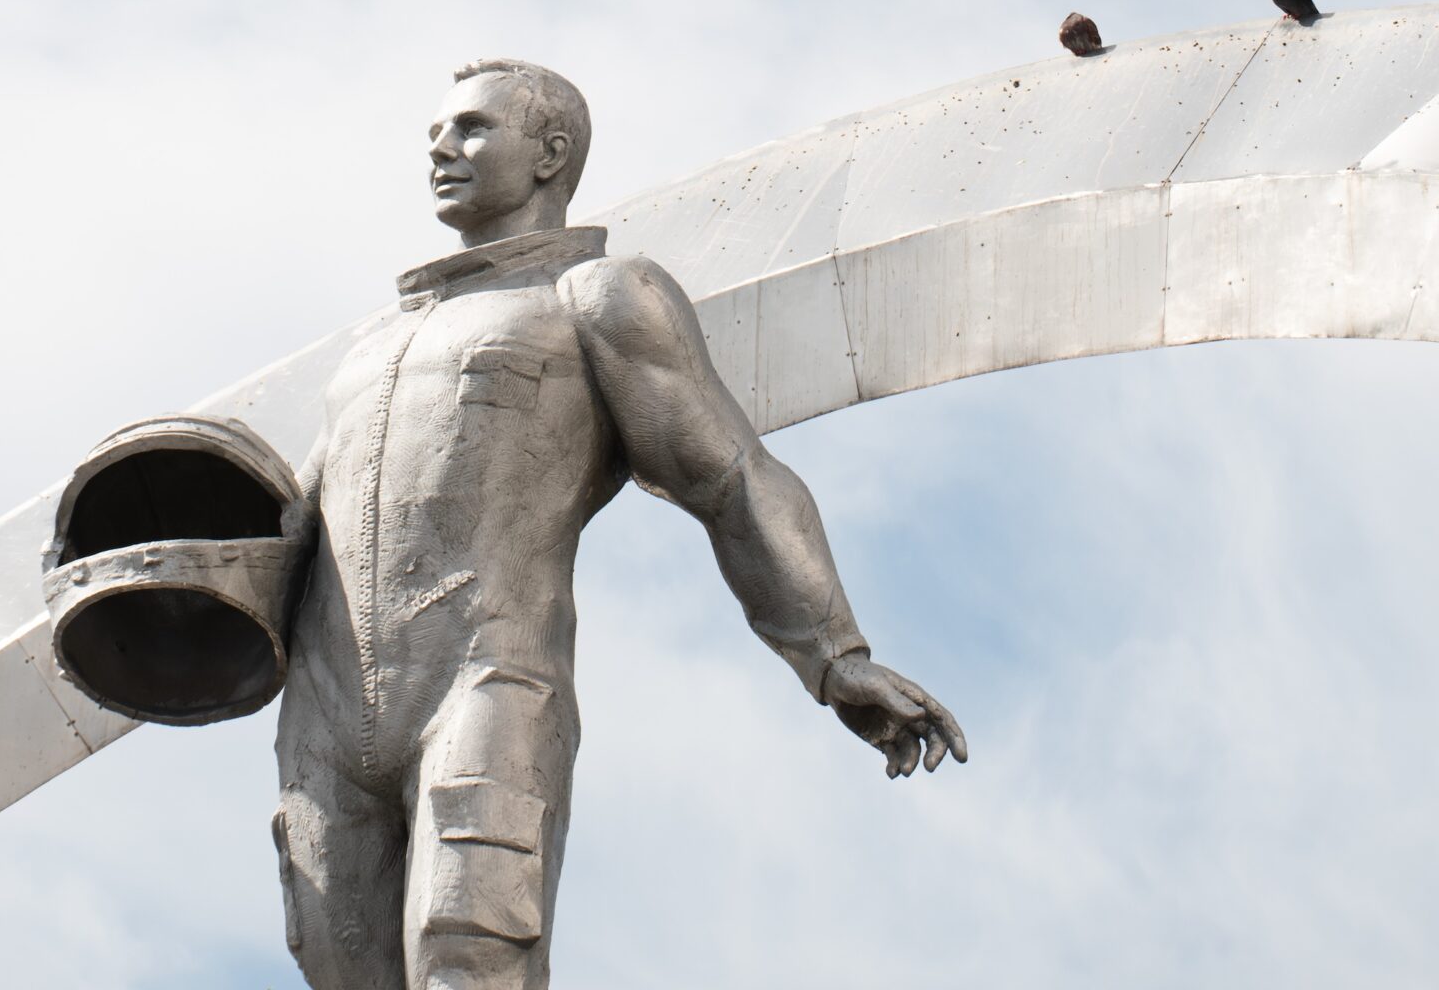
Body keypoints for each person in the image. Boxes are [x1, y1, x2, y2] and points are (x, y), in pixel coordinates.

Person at [274, 57, 966, 988]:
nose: (442, 146)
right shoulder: (370, 351)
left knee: (469, 961)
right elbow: (276, 542)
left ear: (551, 153)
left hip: (485, 686)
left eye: (473, 127)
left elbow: (732, 478)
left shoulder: (594, 297)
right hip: (324, 714)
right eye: (436, 133)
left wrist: (835, 654)